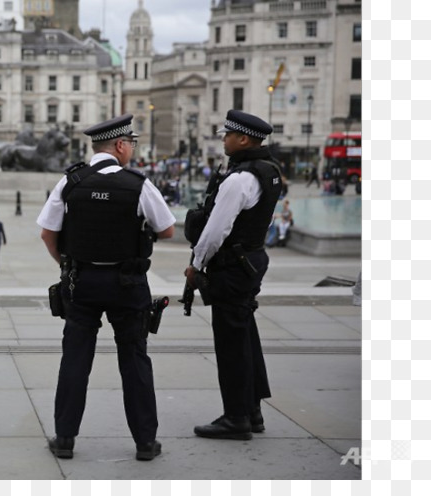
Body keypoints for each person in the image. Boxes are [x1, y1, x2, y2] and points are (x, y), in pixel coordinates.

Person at [37, 113, 175, 462]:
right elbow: (168, 230)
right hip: (128, 284)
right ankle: (145, 442)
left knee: (75, 360)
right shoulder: (138, 184)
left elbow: (47, 233)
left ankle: (65, 438)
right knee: (134, 360)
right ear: (119, 145)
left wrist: (67, 266)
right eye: (130, 144)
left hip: (82, 282)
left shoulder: (70, 182)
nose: (131, 149)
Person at [183, 110, 283, 441]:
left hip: (231, 267)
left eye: (227, 135)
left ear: (243, 139)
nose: (222, 139)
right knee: (245, 336)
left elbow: (216, 230)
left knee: (231, 343)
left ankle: (236, 417)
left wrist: (196, 266)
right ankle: (251, 410)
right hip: (252, 260)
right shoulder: (270, 172)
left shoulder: (239, 179)